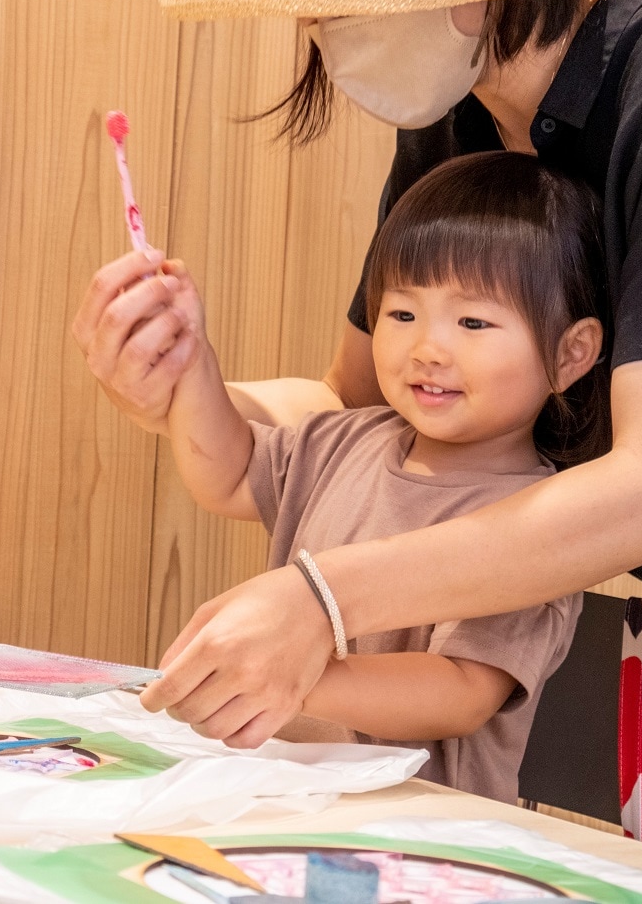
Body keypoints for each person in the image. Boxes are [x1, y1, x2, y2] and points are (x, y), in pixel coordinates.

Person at [72, 0, 642, 892]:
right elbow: (352, 406)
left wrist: (321, 598)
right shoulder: (463, 114)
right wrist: (184, 387)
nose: (318, 29)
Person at [160, 150, 605, 801]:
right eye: (402, 315)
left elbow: (461, 692)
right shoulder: (344, 439)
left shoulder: (536, 524)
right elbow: (223, 474)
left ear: (570, 355)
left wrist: (293, 670)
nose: (428, 347)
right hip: (289, 804)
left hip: (424, 840)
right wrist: (191, 360)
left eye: (474, 321)